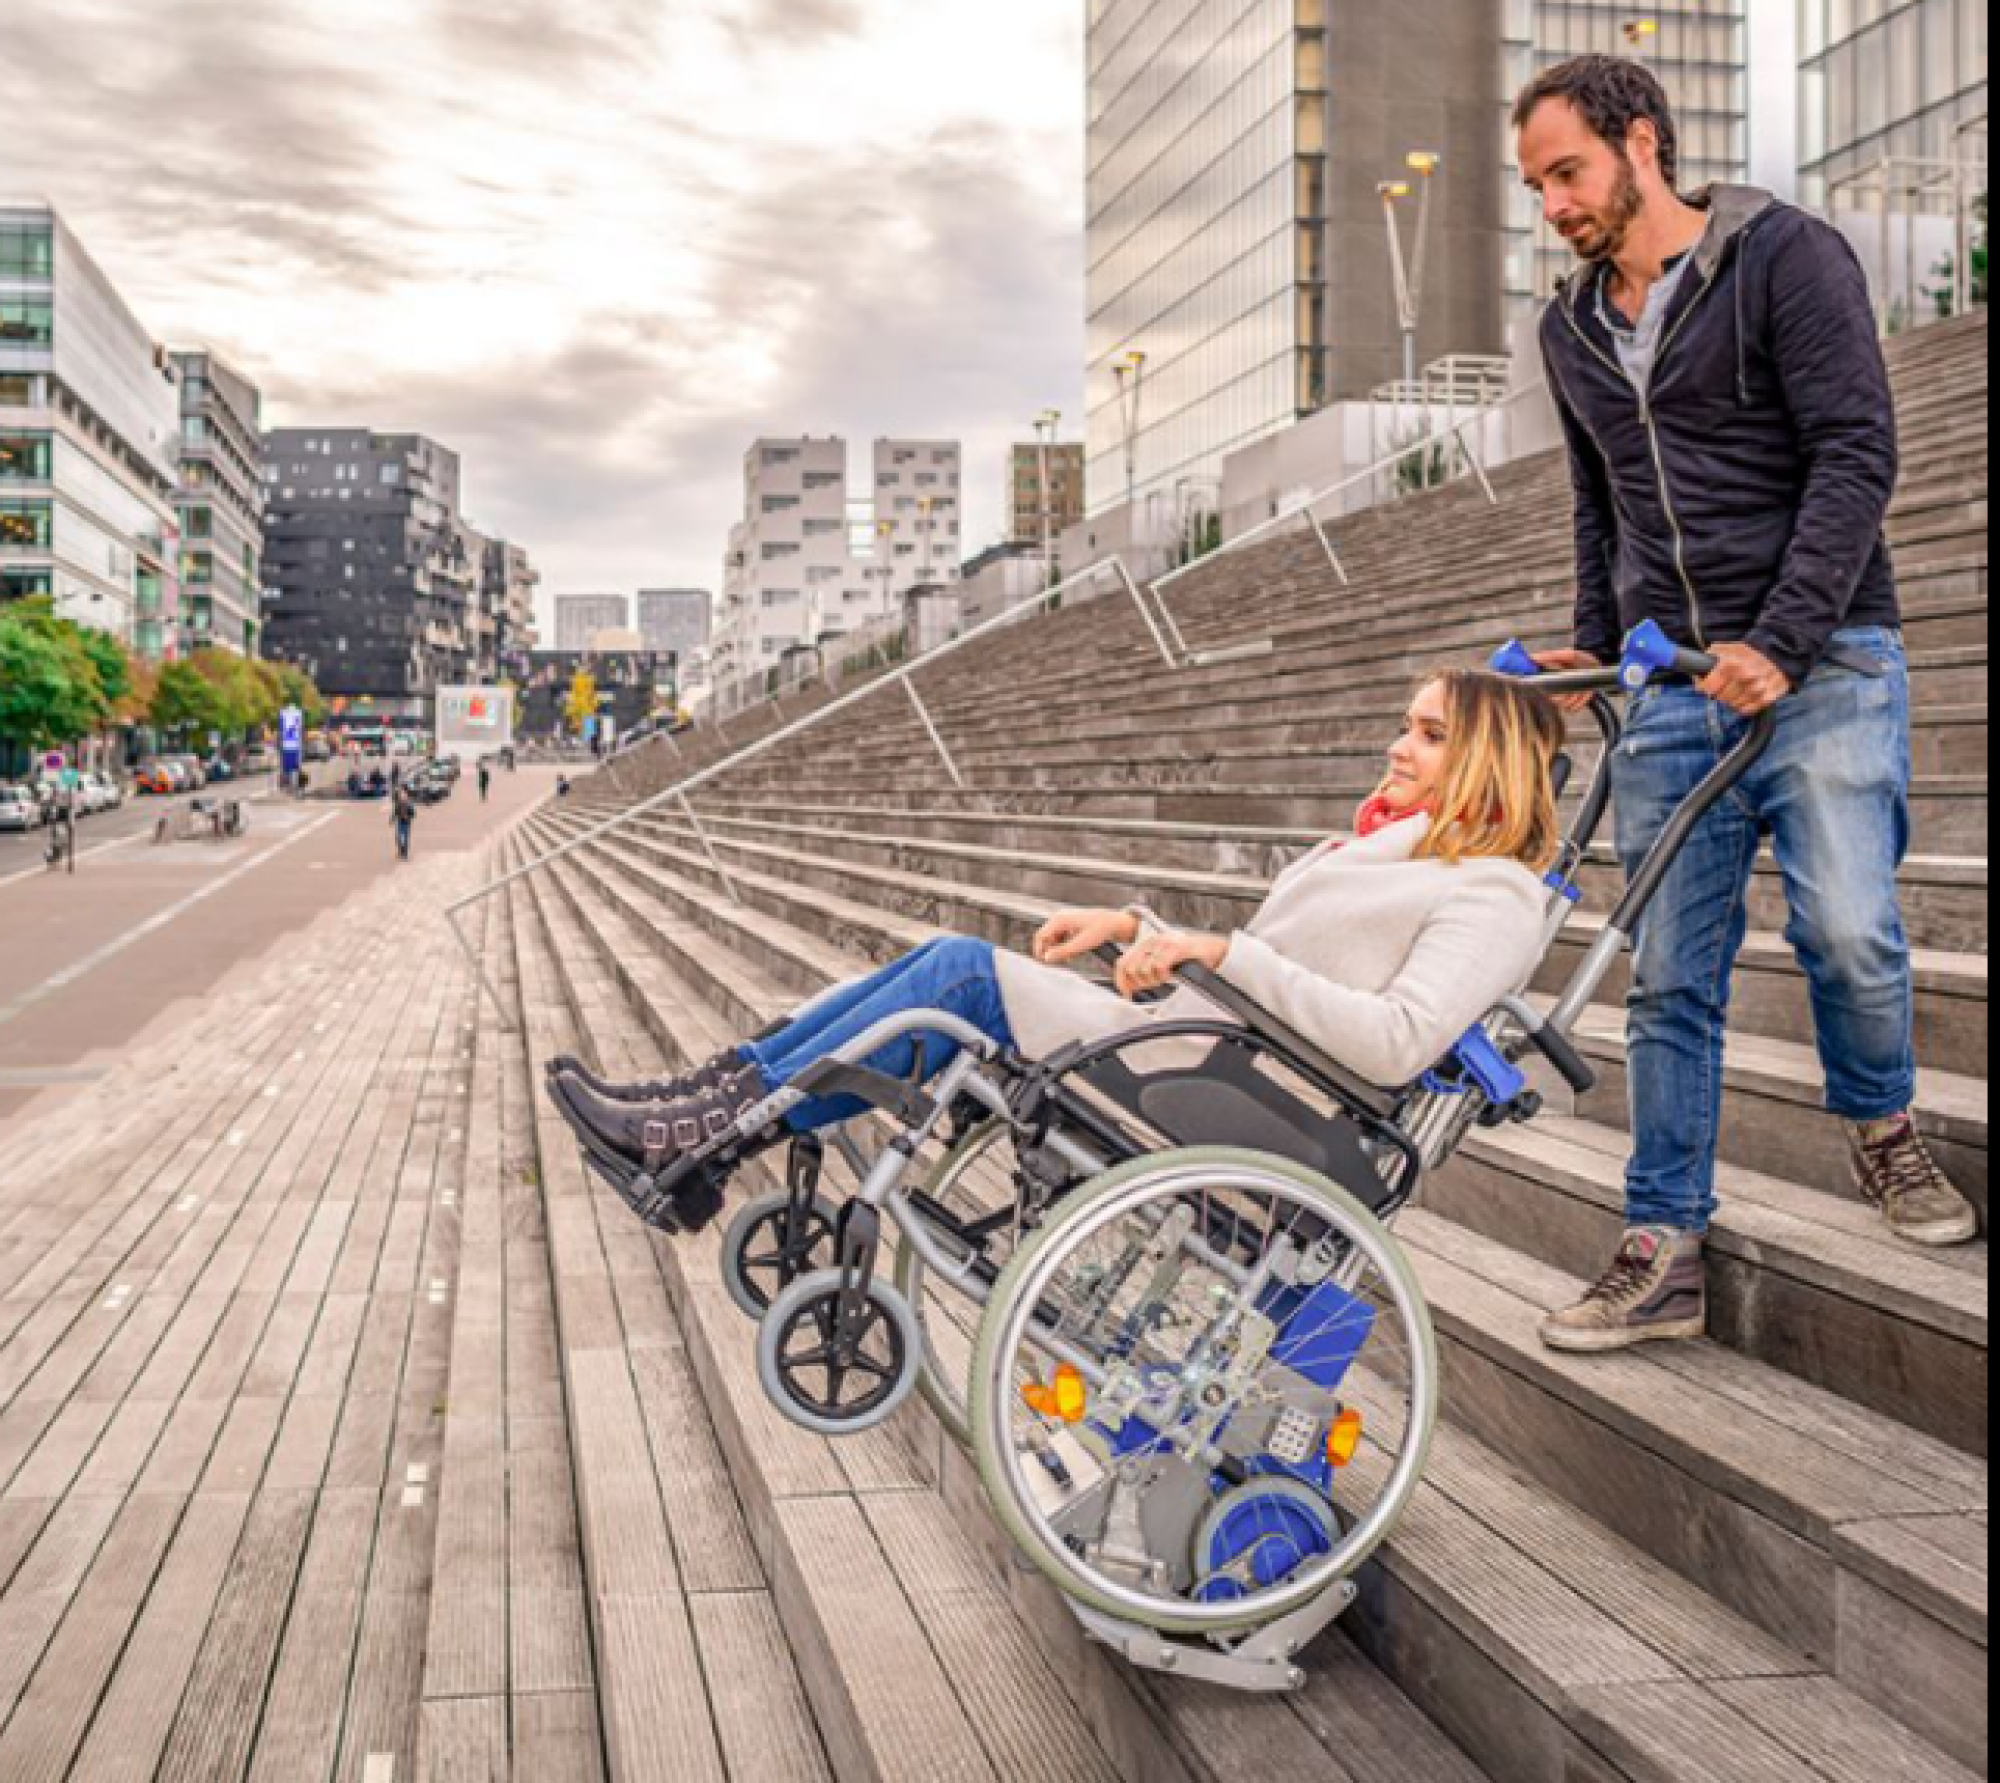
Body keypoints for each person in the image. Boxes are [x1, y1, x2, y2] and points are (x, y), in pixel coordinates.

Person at [1514, 58, 1979, 1355]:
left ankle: (1882, 1130)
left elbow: (1857, 452)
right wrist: (1598, 647)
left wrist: (1781, 637)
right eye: (1536, 184)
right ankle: (1662, 1243)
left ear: (1642, 144)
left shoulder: (1785, 257)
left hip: (1829, 663)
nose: (1551, 203)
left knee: (1847, 927)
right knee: (1670, 978)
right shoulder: (1570, 328)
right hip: (1671, 686)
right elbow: (1601, 499)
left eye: (1568, 171)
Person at [547, 671, 1567, 1212]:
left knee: (952, 974)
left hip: (1258, 1099)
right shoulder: (1400, 848)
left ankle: (706, 1136)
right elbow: (1259, 966)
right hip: (1208, 1052)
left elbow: (1390, 1041)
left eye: (1429, 733)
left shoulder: (1494, 894)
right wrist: (1138, 931)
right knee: (936, 967)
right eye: (1407, 723)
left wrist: (1212, 953)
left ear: (1486, 759)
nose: (1398, 744)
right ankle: (702, 1110)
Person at [391, 784, 416, 861]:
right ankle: (400, 851)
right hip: (400, 822)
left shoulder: (409, 804)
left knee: (405, 838)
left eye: (404, 795)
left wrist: (408, 817)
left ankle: (405, 854)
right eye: (401, 795)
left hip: (406, 823)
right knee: (398, 837)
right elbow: (395, 812)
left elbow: (413, 814)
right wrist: (392, 819)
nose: (402, 796)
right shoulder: (398, 803)